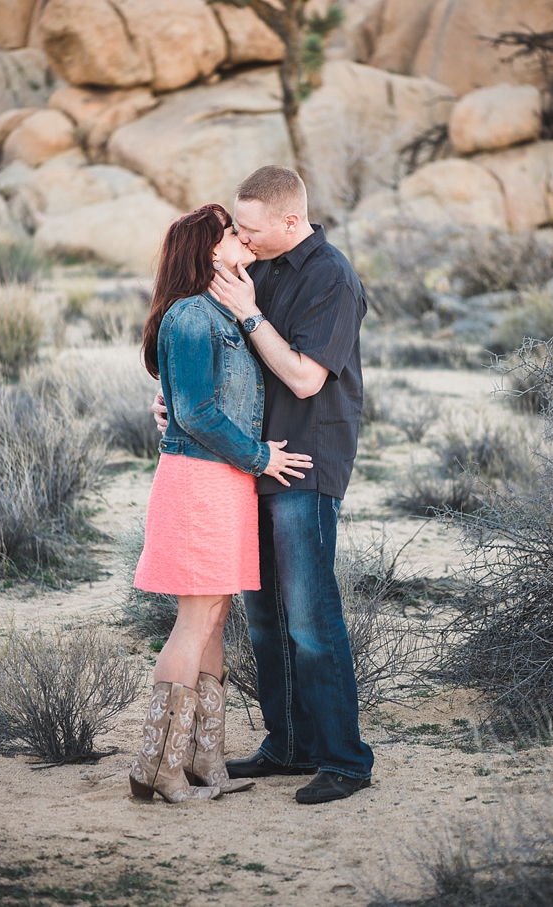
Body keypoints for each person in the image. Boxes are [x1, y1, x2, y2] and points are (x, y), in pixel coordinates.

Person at [197, 165, 374, 805]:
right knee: (266, 618)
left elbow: (304, 378)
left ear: (291, 221)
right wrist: (182, 404)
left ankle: (345, 760)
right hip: (256, 460)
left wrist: (248, 315)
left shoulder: (332, 277)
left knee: (310, 617)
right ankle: (289, 744)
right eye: (237, 228)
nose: (242, 238)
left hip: (306, 462)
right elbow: (231, 362)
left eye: (251, 227)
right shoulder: (261, 270)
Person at [131, 203, 314, 804]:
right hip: (200, 482)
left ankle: (204, 762)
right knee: (194, 619)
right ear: (211, 251)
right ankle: (155, 767)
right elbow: (196, 413)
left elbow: (188, 402)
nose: (244, 238)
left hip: (224, 483)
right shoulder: (189, 316)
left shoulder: (225, 315)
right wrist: (261, 456)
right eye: (233, 233)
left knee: (214, 619)